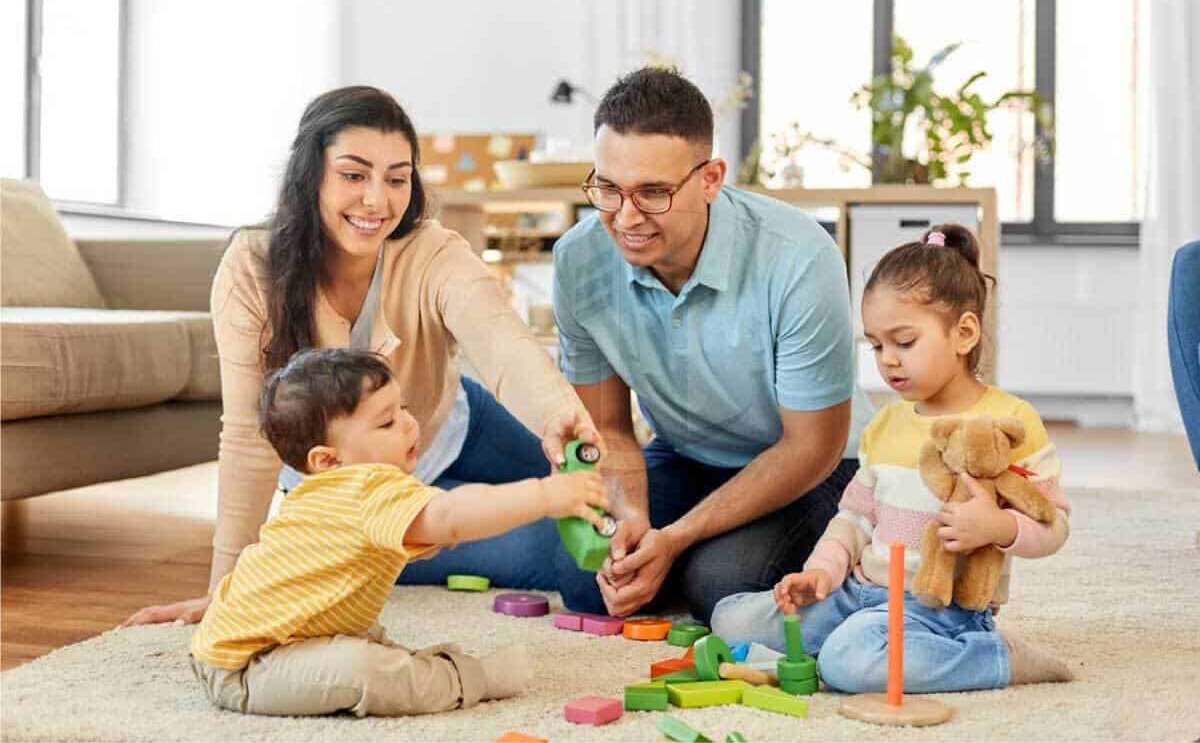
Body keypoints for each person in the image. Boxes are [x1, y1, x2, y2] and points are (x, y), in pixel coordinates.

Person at [125, 86, 599, 627]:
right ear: (311, 177)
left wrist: (557, 412)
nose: (377, 200)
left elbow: (503, 344)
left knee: (603, 495)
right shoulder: (250, 269)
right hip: (357, 492)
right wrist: (227, 590)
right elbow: (247, 438)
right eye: (354, 175)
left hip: (452, 424)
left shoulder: (432, 251)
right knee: (557, 552)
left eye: (397, 179)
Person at [551, 67, 875, 624]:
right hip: (686, 454)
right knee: (585, 576)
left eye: (653, 192)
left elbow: (811, 448)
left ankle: (848, 554)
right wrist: (632, 520)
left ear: (710, 178)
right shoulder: (579, 261)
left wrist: (673, 538)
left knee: (718, 584)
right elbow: (609, 426)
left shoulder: (798, 256)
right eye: (608, 188)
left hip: (817, 464)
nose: (625, 217)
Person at [710, 224, 1074, 693]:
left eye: (904, 343)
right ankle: (850, 641)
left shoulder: (1010, 420)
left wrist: (999, 528)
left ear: (964, 333)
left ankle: (996, 658)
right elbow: (854, 519)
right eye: (877, 345)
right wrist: (822, 571)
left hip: (939, 608)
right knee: (729, 618)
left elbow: (1055, 526)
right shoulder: (884, 425)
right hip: (859, 592)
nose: (888, 361)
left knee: (850, 665)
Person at [190, 348, 609, 717]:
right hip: (249, 666)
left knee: (365, 648)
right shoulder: (365, 487)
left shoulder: (322, 494)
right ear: (328, 460)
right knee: (363, 672)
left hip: (267, 639)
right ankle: (470, 679)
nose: (410, 425)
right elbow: (450, 515)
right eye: (387, 422)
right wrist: (544, 495)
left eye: (404, 408)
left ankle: (412, 664)